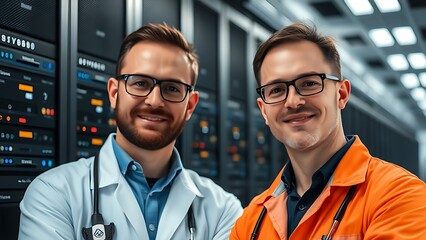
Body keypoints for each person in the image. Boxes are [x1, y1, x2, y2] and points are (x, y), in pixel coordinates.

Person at [19, 23, 242, 240]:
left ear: (190, 106)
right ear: (114, 93)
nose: (155, 101)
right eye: (140, 83)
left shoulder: (223, 210)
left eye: (172, 88)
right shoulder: (53, 194)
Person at [231, 22, 426, 239]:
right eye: (276, 90)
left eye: (309, 83)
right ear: (264, 110)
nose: (293, 101)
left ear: (341, 94)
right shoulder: (250, 221)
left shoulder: (398, 196)